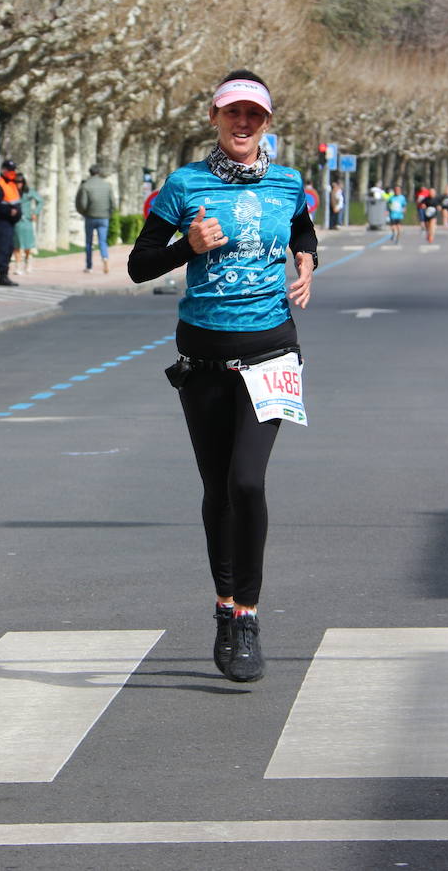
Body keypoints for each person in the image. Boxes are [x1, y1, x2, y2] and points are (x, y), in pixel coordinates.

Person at [128, 70, 316, 684]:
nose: (243, 125)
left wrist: (307, 264)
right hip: (204, 359)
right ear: (214, 117)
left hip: (272, 354)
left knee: (248, 484)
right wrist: (188, 245)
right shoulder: (183, 184)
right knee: (217, 490)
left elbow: (303, 229)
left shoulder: (289, 182)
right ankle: (224, 605)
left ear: (267, 123)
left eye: (254, 117)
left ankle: (249, 618)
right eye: (233, 114)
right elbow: (138, 265)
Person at [76, 164, 114, 273]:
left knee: (89, 242)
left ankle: (89, 266)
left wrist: (84, 213)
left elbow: (82, 204)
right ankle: (105, 258)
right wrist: (109, 214)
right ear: (99, 173)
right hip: (104, 217)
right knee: (102, 241)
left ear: (90, 173)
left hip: (90, 217)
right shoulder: (107, 185)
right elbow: (113, 203)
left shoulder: (86, 186)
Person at [0, 159, 21, 286]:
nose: (12, 173)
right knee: (3, 249)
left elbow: (16, 202)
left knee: (9, 249)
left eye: (13, 170)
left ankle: (5, 275)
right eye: (10, 170)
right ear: (3, 170)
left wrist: (17, 213)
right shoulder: (0, 185)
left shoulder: (12, 184)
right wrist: (9, 211)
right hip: (2, 222)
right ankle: (1, 276)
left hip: (11, 223)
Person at [13, 173, 43, 274]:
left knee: (27, 245)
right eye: (16, 182)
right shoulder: (12, 191)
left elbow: (40, 201)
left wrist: (35, 212)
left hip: (27, 221)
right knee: (16, 244)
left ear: (23, 182)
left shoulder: (29, 192)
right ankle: (17, 266)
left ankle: (28, 262)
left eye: (20, 182)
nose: (18, 184)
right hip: (16, 221)